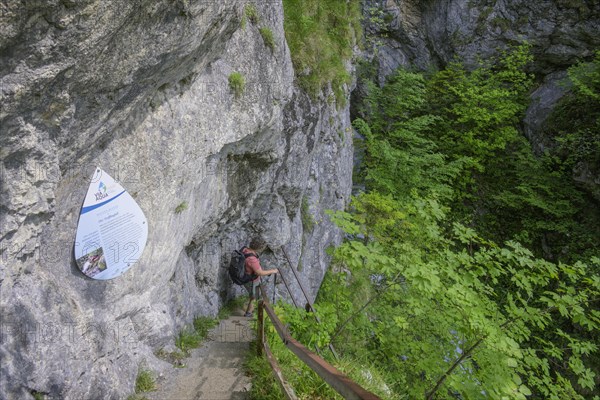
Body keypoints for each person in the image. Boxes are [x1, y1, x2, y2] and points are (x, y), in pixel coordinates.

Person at [243, 237, 278, 317]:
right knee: (254, 297)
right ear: (259, 247)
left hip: (246, 276)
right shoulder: (252, 259)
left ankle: (249, 309)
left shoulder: (245, 250)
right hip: (251, 280)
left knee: (253, 295)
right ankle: (249, 313)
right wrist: (273, 271)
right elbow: (260, 272)